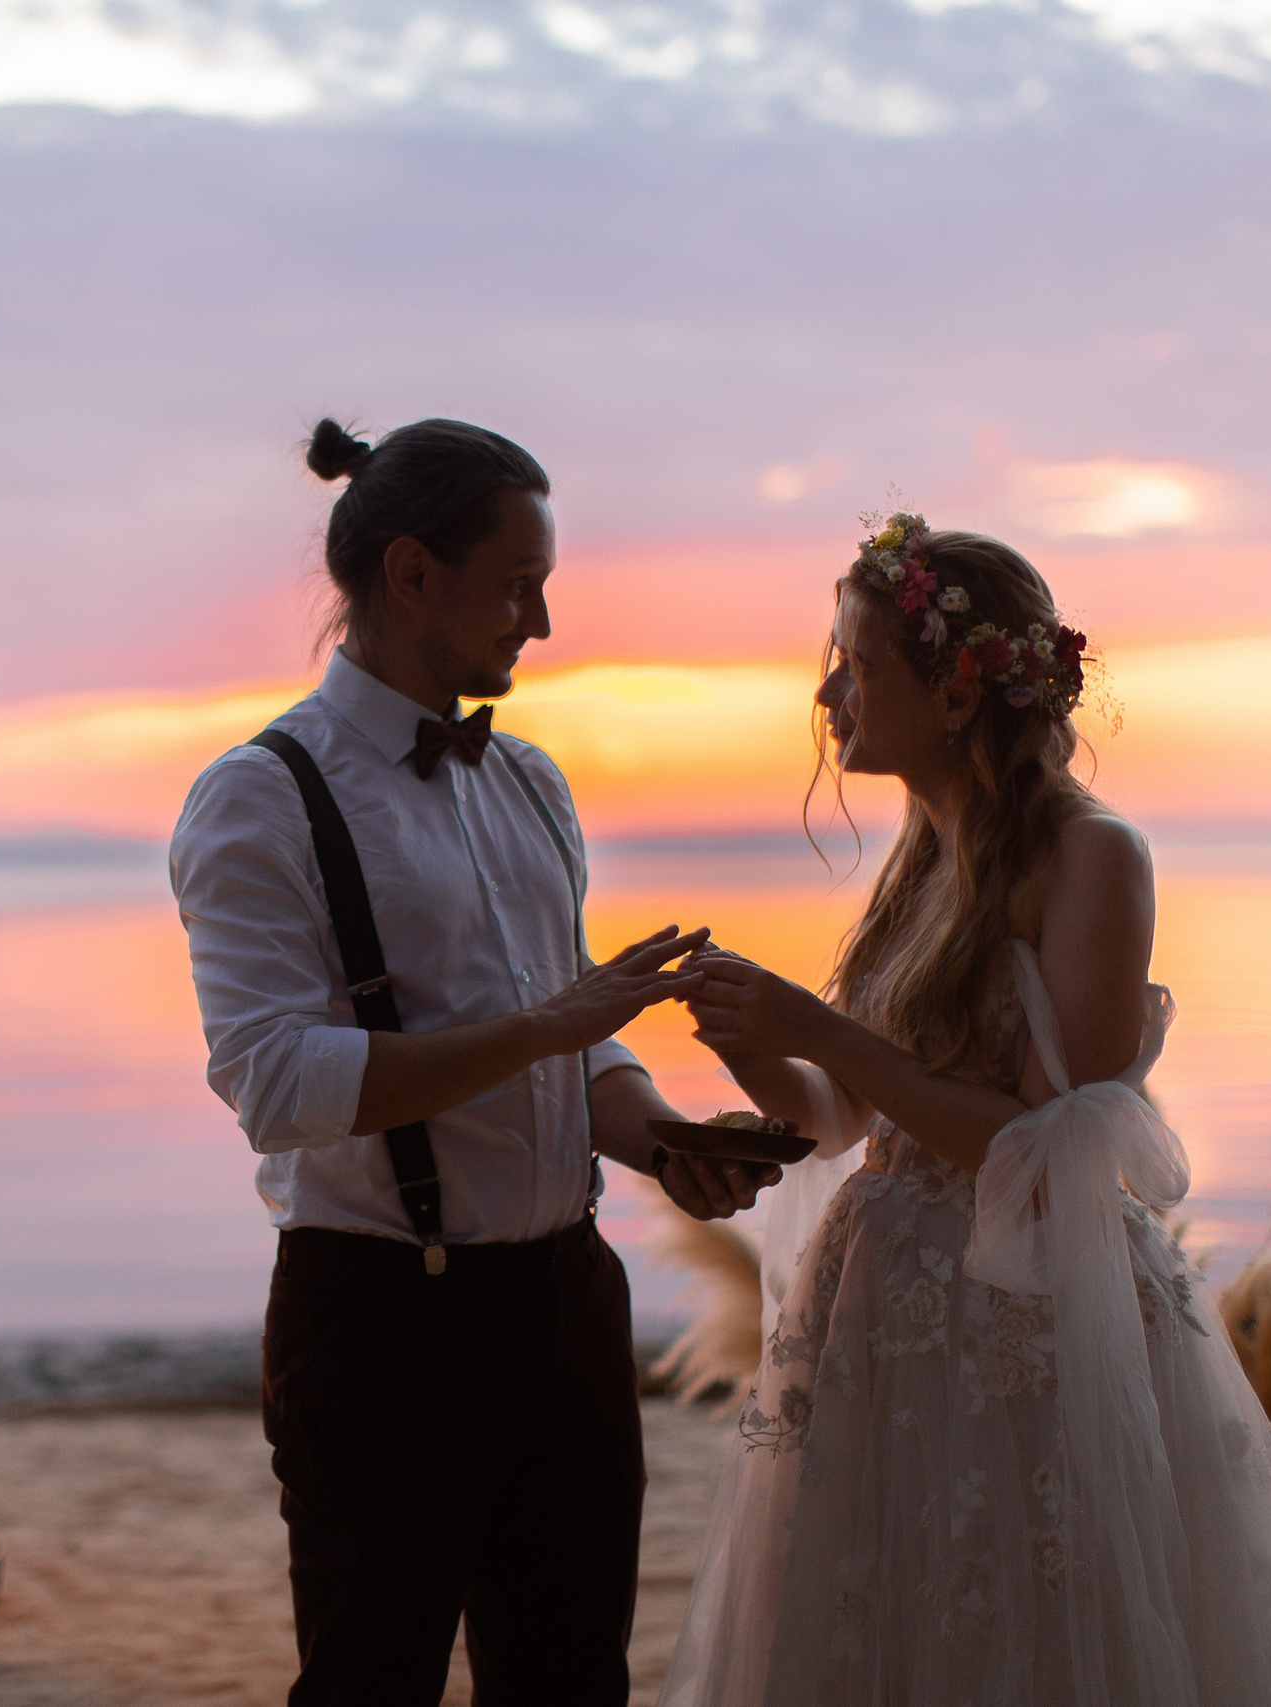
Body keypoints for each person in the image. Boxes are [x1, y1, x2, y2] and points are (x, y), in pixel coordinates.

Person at [657, 514, 1271, 1705]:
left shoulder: (1091, 856)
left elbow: (1046, 1158)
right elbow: (839, 1116)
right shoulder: (920, 859)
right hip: (882, 1319)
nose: (828, 695)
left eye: (857, 665)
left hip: (1022, 1323)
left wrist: (818, 1028)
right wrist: (744, 1037)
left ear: (956, 693)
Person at [170, 416, 778, 1707]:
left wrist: (661, 1137)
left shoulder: (533, 784)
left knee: (572, 1685)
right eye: (515, 585)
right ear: (410, 573)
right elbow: (276, 1083)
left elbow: (573, 1035)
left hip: (569, 1304)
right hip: (383, 1321)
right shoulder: (259, 795)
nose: (541, 623)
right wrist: (551, 1027)